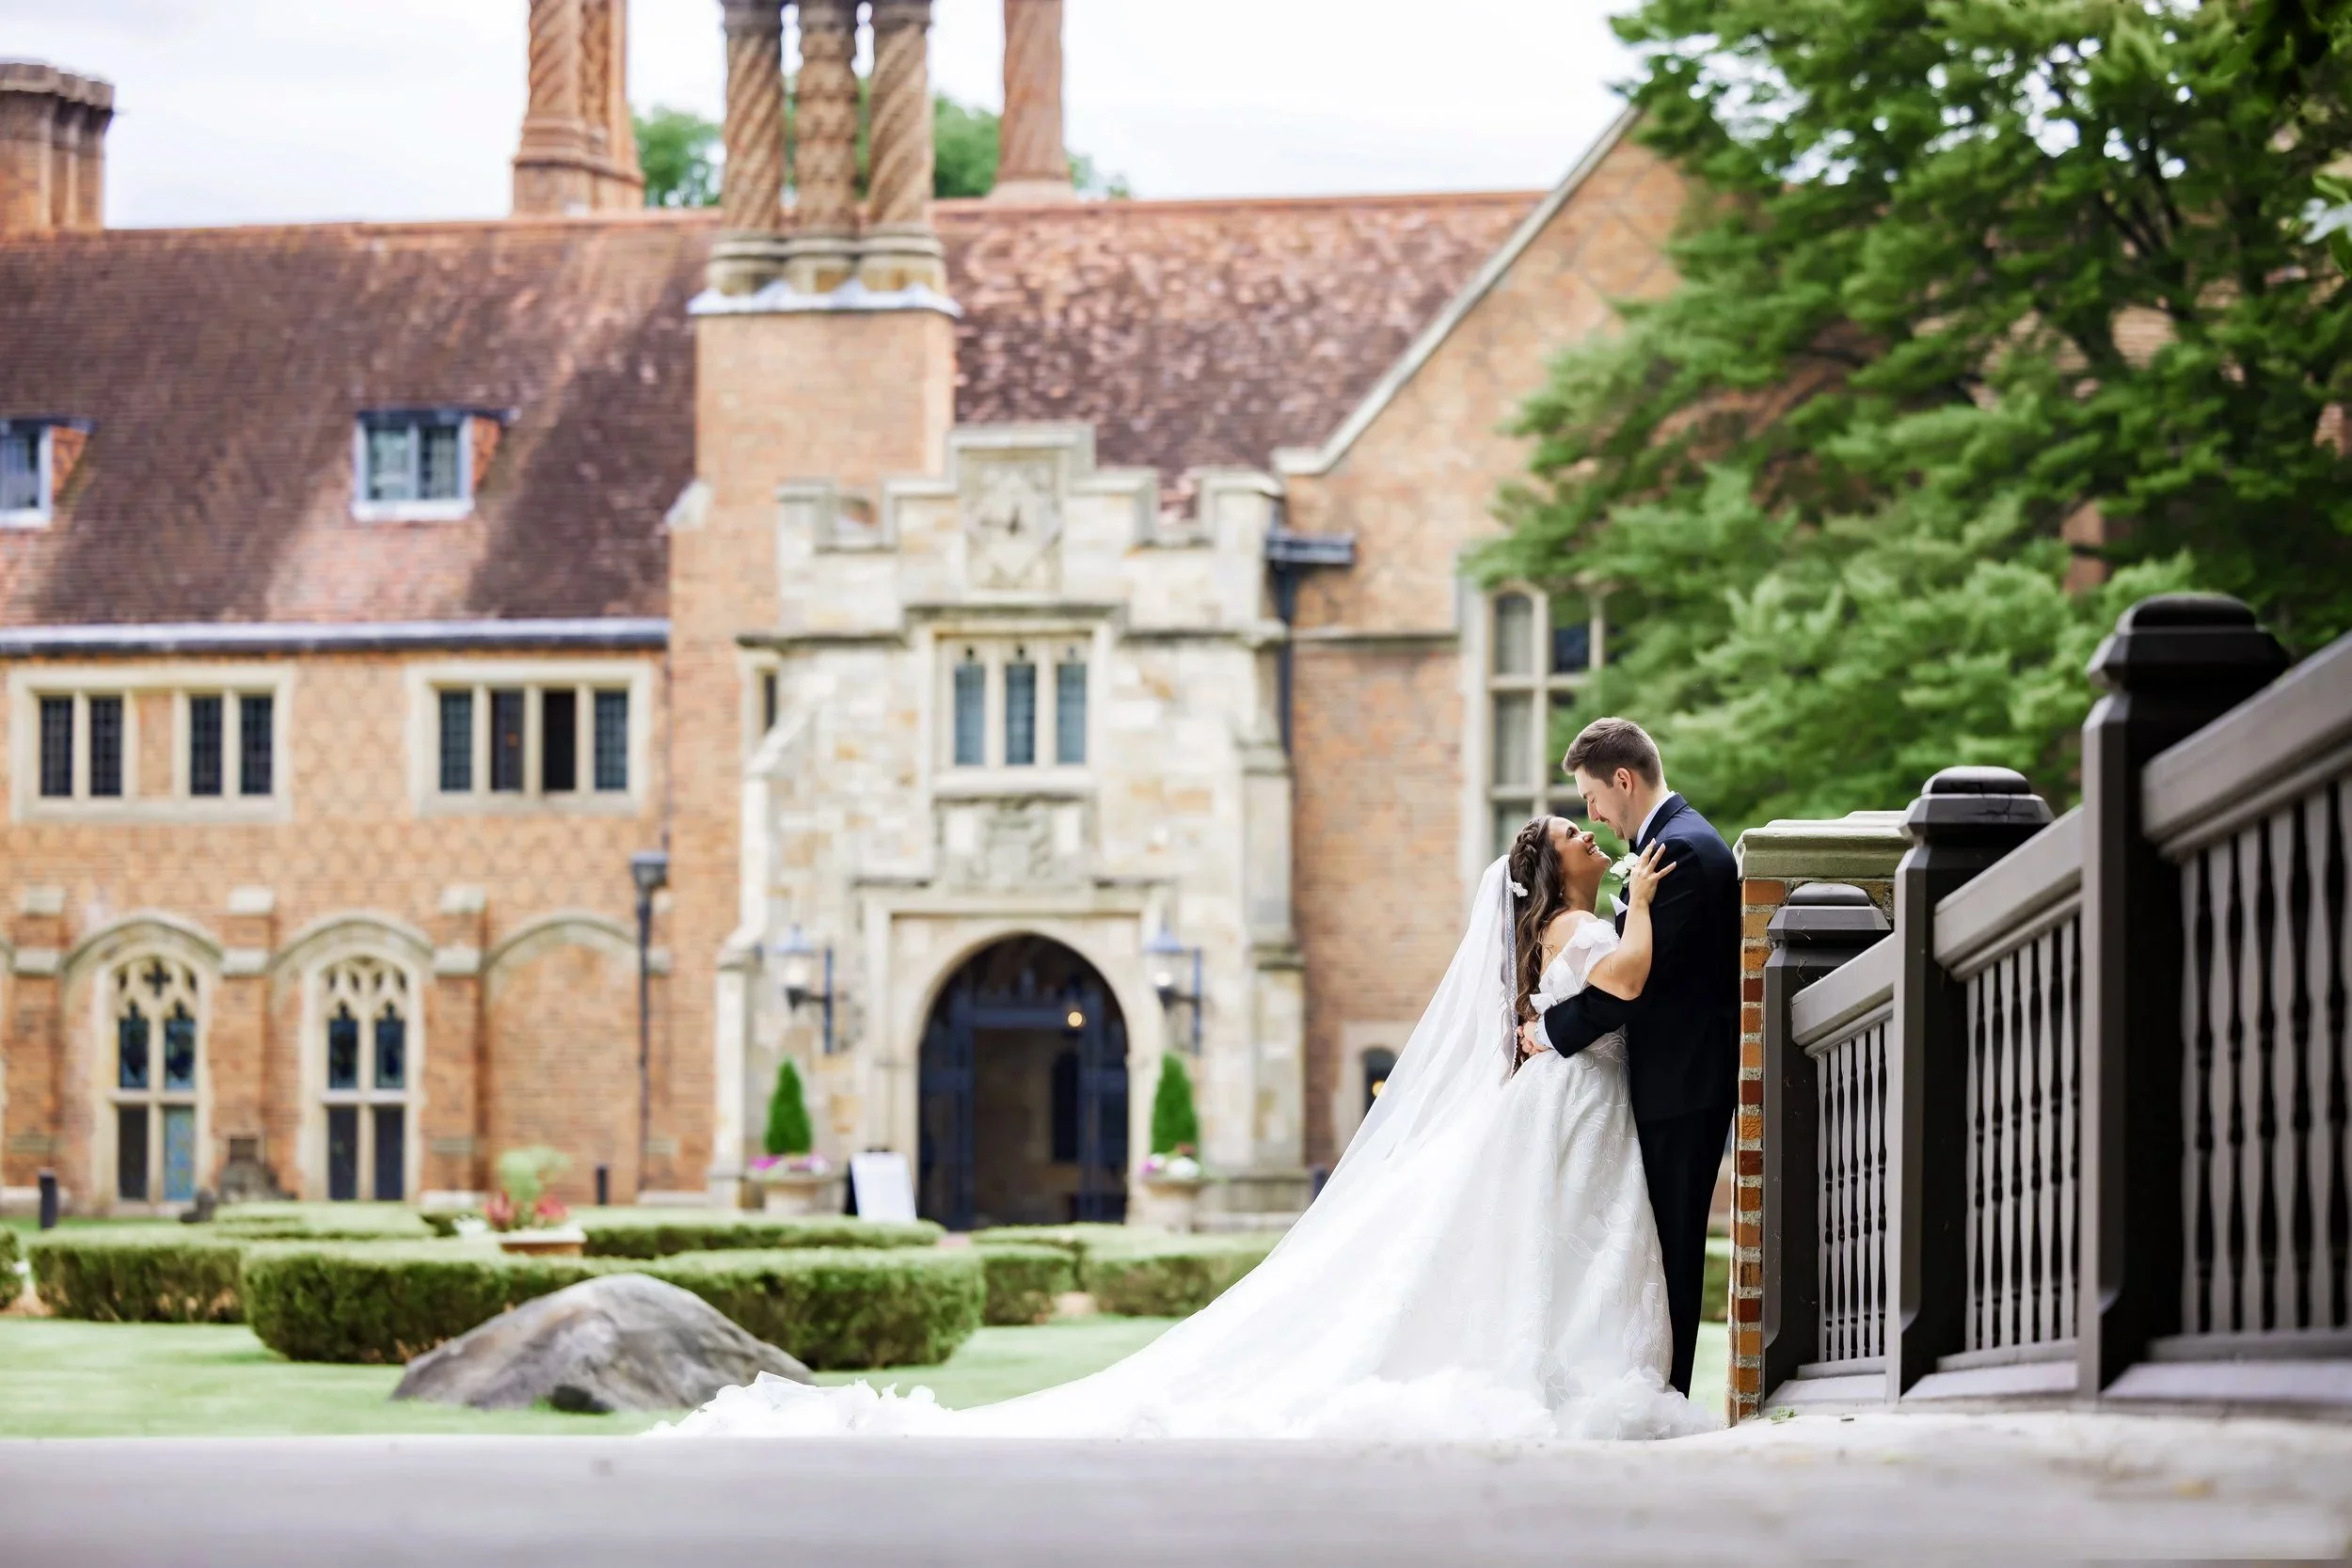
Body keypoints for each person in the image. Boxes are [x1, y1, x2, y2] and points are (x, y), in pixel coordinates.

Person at [660, 819, 1710, 1441]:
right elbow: (1621, 975)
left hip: (1568, 1106)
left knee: (1550, 1246)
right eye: (1578, 833)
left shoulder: (1557, 926)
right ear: (1551, 873)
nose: (1593, 835)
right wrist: (1649, 905)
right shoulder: (1583, 922)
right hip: (1570, 1105)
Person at [1518, 718, 1739, 1397]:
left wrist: (1548, 1030)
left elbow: (1623, 992)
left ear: (1623, 779)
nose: (1593, 815)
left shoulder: (1683, 852)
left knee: (1668, 1253)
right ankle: (1649, 1390)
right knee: (1643, 1252)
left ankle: (1662, 1396)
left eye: (1591, 797)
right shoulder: (1672, 844)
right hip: (1662, 1084)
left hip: (1680, 1087)